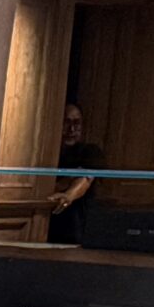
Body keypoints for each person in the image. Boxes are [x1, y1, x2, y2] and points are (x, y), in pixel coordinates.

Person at [47, 101, 107, 243]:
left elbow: (85, 178)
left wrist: (68, 195)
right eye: (66, 122)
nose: (71, 129)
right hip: (46, 222)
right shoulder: (47, 153)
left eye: (76, 123)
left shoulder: (90, 151)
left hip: (76, 225)